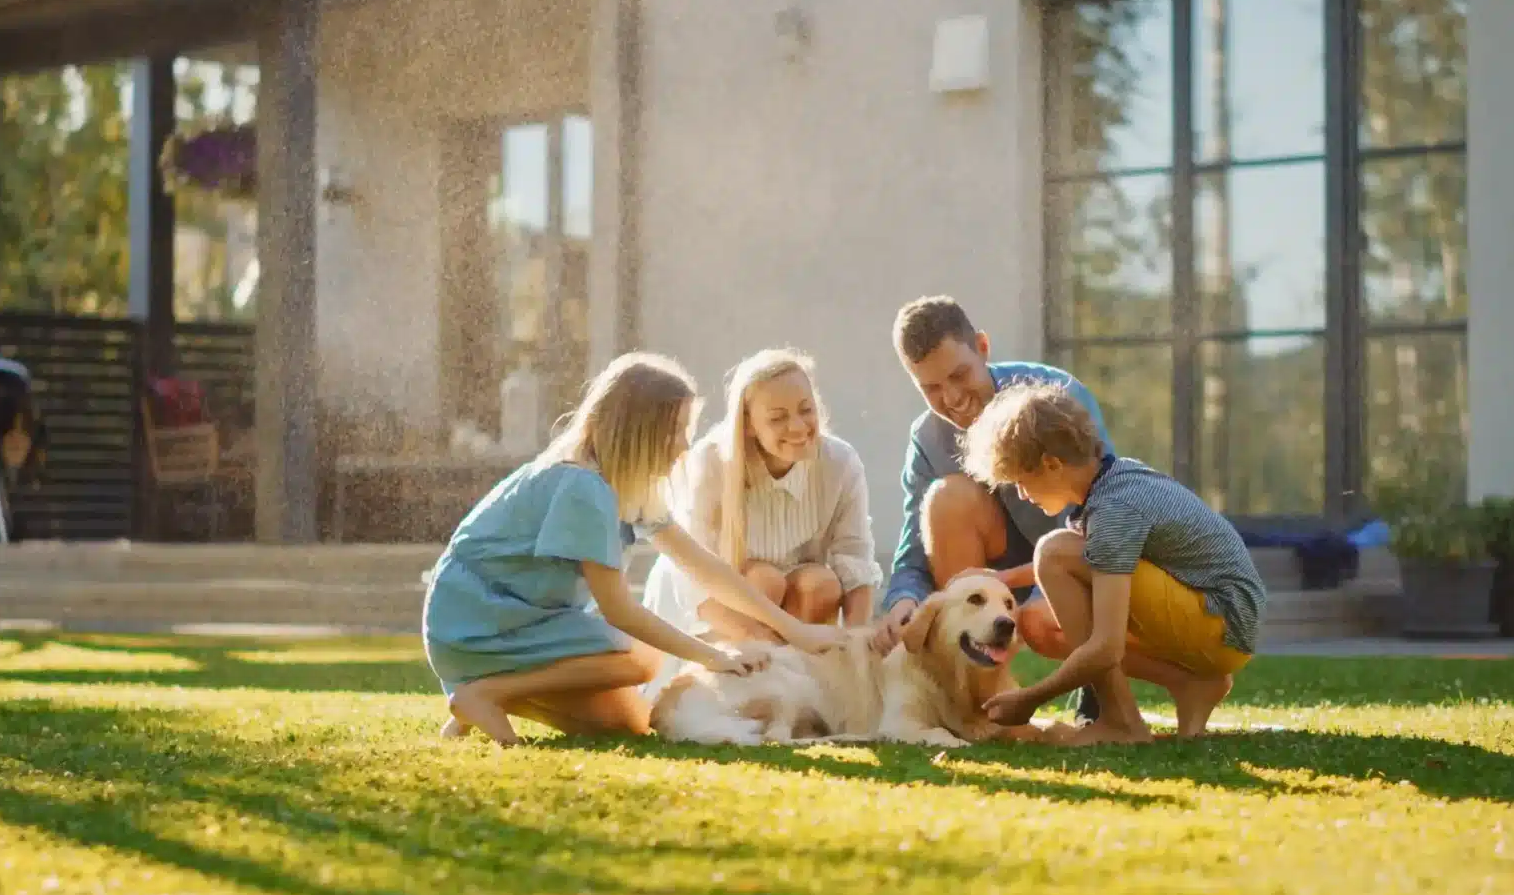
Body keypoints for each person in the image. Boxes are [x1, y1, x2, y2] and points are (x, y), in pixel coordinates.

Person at [421, 352, 844, 746]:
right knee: (643, 660)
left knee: (631, 725)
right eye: (676, 432)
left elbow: (706, 568)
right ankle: (487, 689)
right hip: (476, 623)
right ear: (640, 431)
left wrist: (796, 631)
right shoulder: (582, 486)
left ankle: (477, 700)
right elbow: (618, 610)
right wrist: (712, 655)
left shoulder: (629, 487)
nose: (683, 446)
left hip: (521, 624)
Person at [959, 383, 1266, 742]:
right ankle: (1192, 685)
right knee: (1041, 622)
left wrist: (1030, 700)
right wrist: (1004, 578)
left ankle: (1121, 723)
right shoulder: (1112, 482)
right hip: (1218, 618)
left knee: (1054, 552)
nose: (1023, 495)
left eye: (1022, 482)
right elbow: (1093, 558)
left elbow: (1107, 645)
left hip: (1224, 620)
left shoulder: (1114, 510)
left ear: (1052, 464)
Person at [872, 295, 1115, 721]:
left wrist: (1045, 594)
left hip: (1071, 564)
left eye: (959, 375)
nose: (951, 398)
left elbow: (1103, 515)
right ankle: (974, 689)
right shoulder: (927, 439)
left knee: (1043, 620)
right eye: (930, 388)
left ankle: (1101, 683)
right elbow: (913, 551)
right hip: (992, 577)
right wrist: (902, 601)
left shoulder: (1056, 398)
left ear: (983, 347)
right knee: (946, 498)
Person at [644, 348, 879, 646]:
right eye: (778, 418)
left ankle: (797, 680)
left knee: (821, 584)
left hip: (798, 601)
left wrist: (856, 646)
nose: (797, 427)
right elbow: (692, 579)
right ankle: (760, 671)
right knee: (764, 580)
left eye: (806, 410)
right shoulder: (713, 461)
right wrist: (763, 640)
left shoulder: (840, 462)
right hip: (713, 611)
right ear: (749, 425)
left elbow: (855, 557)